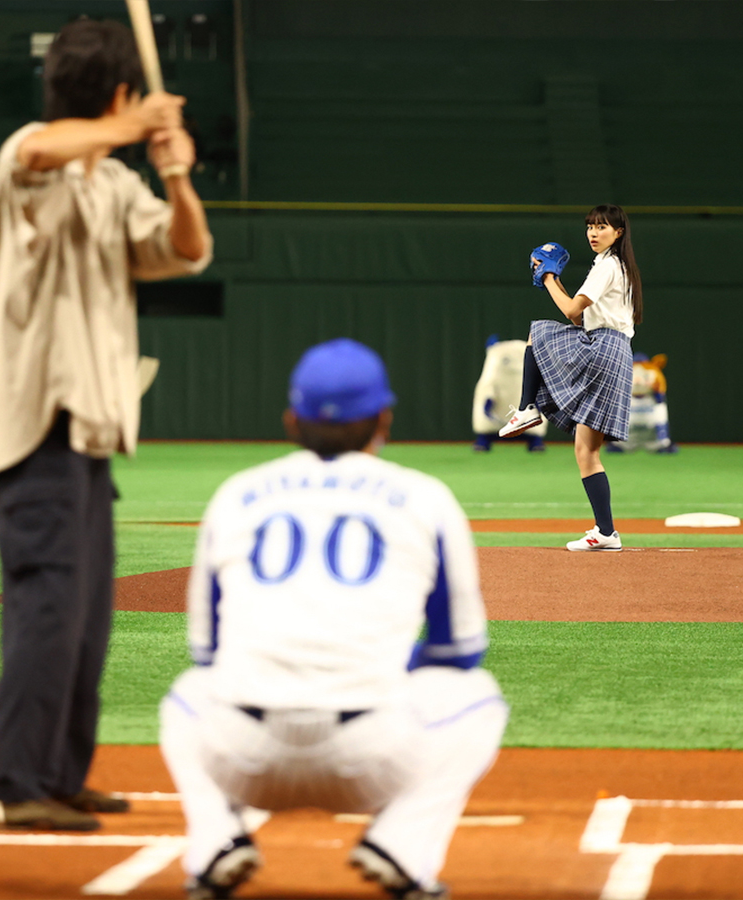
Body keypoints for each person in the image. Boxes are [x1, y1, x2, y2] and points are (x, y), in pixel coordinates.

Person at [0, 18, 213, 831]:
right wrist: (137, 126)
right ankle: (11, 785)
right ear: (117, 96)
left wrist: (175, 177)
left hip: (90, 438)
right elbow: (42, 153)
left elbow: (189, 249)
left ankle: (58, 773)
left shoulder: (115, 185)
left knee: (85, 617)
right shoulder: (28, 154)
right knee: (47, 604)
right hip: (36, 427)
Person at [160, 338, 507, 900]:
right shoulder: (426, 498)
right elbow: (462, 650)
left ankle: (217, 842)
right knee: (480, 696)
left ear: (291, 420)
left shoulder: (236, 495)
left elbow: (206, 650)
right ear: (383, 420)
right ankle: (401, 845)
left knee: (185, 693)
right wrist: (388, 658)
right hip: (371, 760)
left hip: (245, 757)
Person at [498, 204, 643, 552]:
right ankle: (606, 532)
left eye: (602, 227)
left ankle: (528, 407)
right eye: (590, 227)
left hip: (603, 349)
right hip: (610, 348)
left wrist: (549, 278)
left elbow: (570, 311)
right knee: (586, 450)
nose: (594, 233)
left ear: (618, 232)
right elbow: (581, 320)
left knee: (540, 333)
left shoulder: (608, 265)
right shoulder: (611, 265)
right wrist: (557, 281)